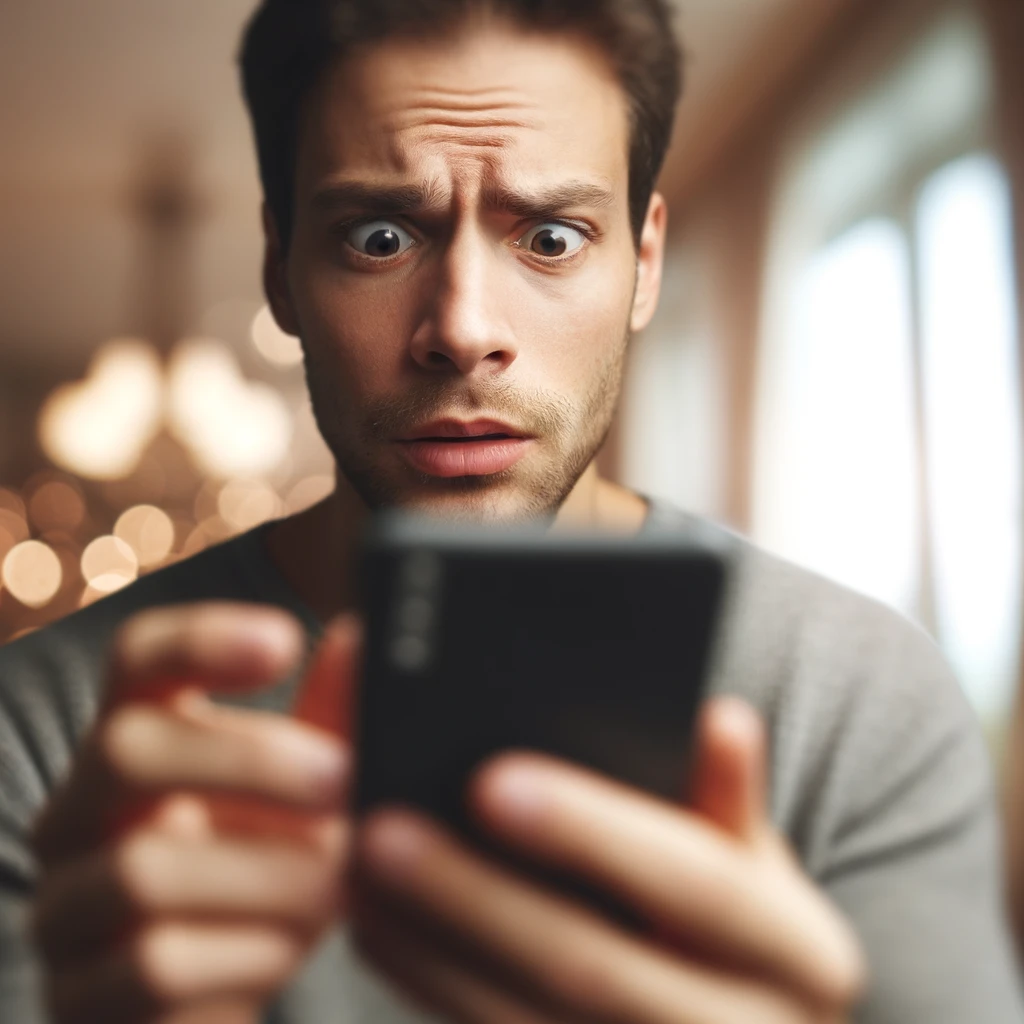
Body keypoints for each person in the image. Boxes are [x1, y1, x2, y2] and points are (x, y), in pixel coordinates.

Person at [1, 1, 1021, 1021]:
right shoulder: (42, 731)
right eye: (380, 235)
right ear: (280, 267)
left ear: (644, 264)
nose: (463, 329)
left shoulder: (853, 697)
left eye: (548, 235)